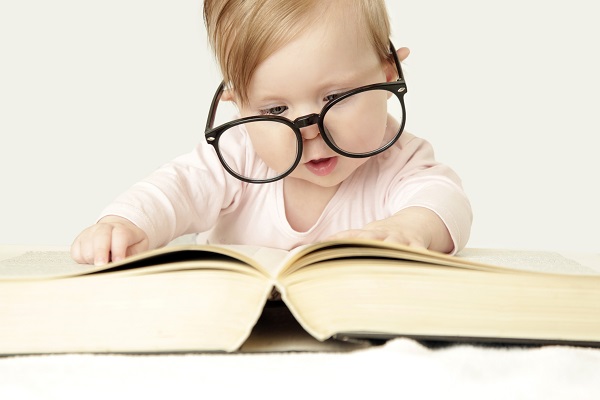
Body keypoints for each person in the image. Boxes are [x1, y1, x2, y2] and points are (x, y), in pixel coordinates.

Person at [71, 0, 472, 266]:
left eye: (336, 96)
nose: (310, 131)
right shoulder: (239, 156)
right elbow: (176, 188)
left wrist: (411, 228)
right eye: (275, 110)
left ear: (388, 75)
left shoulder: (399, 160)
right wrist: (124, 224)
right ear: (237, 103)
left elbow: (444, 200)